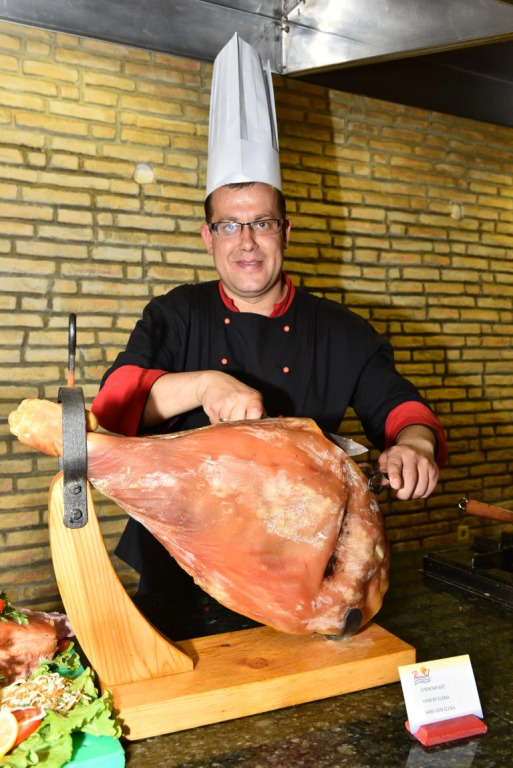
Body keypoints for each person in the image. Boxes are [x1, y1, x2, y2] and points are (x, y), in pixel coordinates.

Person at [91, 35, 447, 635]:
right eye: (230, 226)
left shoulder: (341, 331)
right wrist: (204, 384)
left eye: (261, 222)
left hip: (301, 576)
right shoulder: (176, 314)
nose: (247, 242)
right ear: (208, 237)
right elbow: (114, 402)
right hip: (179, 572)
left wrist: (416, 447)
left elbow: (400, 408)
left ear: (285, 230)